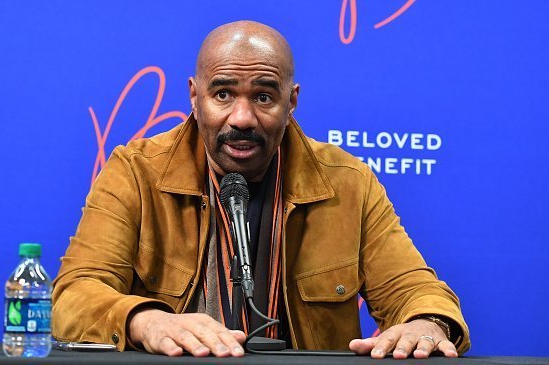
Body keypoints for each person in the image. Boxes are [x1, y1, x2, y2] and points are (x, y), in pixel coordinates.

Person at [52, 20, 470, 359]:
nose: (242, 117)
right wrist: (148, 322)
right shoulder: (136, 172)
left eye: (264, 97)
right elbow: (74, 295)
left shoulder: (348, 182)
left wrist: (426, 323)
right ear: (194, 98)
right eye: (222, 93)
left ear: (292, 102)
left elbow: (415, 290)